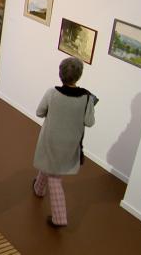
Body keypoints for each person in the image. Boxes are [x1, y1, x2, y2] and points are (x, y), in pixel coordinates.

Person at [33, 57, 97, 227]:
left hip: (51, 139)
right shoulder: (87, 98)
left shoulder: (52, 93)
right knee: (51, 165)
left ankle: (59, 218)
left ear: (61, 73)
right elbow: (89, 122)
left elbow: (39, 112)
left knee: (54, 177)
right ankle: (39, 188)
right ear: (79, 75)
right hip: (70, 143)